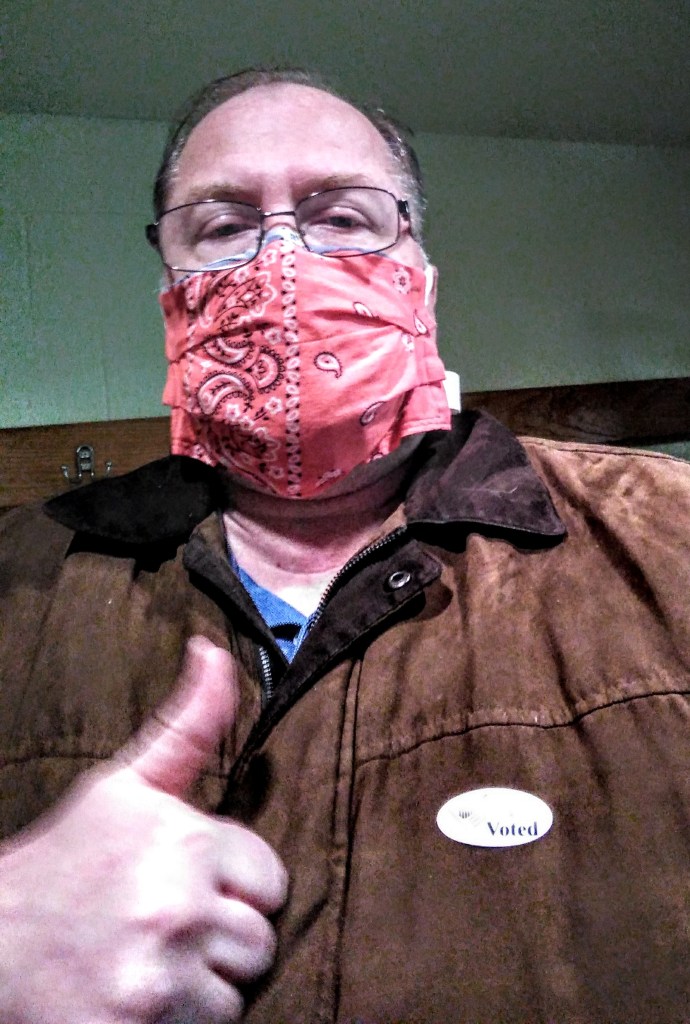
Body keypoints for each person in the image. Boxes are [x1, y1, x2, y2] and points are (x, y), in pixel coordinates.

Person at [1, 66, 689, 1024]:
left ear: (421, 271)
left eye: (343, 216)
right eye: (224, 225)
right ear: (168, 281)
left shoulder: (668, 535)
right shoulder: (19, 578)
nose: (283, 260)